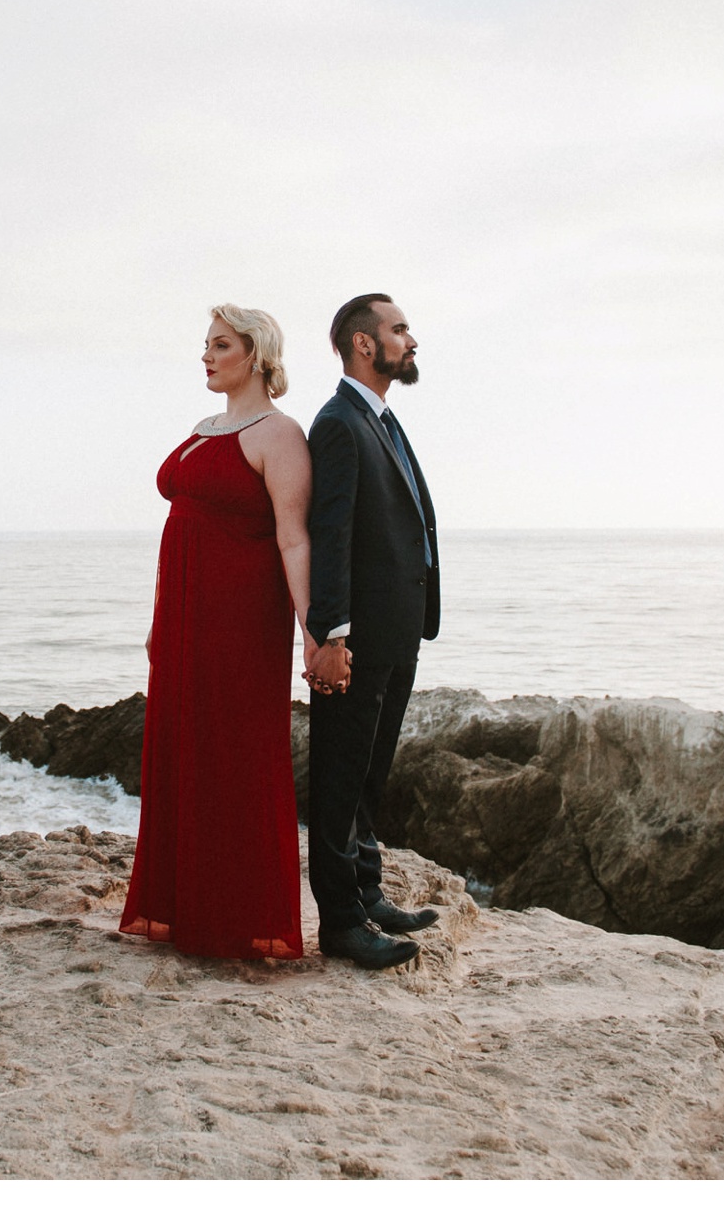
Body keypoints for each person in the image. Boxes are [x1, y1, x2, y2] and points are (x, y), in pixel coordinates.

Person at [118, 304, 320, 960]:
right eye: (205, 345)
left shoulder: (279, 434)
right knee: (183, 752)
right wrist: (158, 624)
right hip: (182, 622)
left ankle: (238, 919)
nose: (206, 356)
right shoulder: (204, 428)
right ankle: (183, 908)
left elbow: (293, 539)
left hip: (240, 622)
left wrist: (316, 631)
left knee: (236, 754)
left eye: (220, 345)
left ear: (256, 354)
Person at [303, 294, 442, 970]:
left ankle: (367, 891)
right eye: (399, 330)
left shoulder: (380, 418)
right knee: (338, 781)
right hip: (355, 644)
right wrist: (331, 634)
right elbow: (329, 535)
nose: (410, 340)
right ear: (364, 344)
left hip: (397, 633)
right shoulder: (337, 424)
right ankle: (341, 924)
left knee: (368, 779)